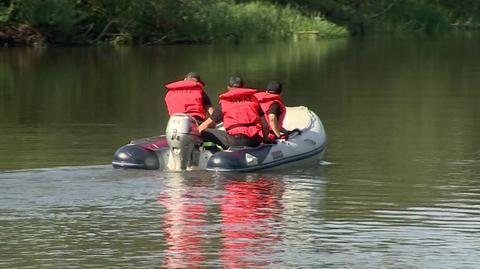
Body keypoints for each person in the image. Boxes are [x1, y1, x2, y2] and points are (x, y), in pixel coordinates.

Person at [198, 76, 270, 149]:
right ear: (242, 87)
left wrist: (194, 133)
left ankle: (211, 153)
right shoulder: (253, 99)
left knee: (206, 132)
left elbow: (207, 124)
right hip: (254, 141)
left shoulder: (224, 103)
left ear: (228, 87)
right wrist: (266, 139)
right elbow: (265, 124)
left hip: (234, 141)